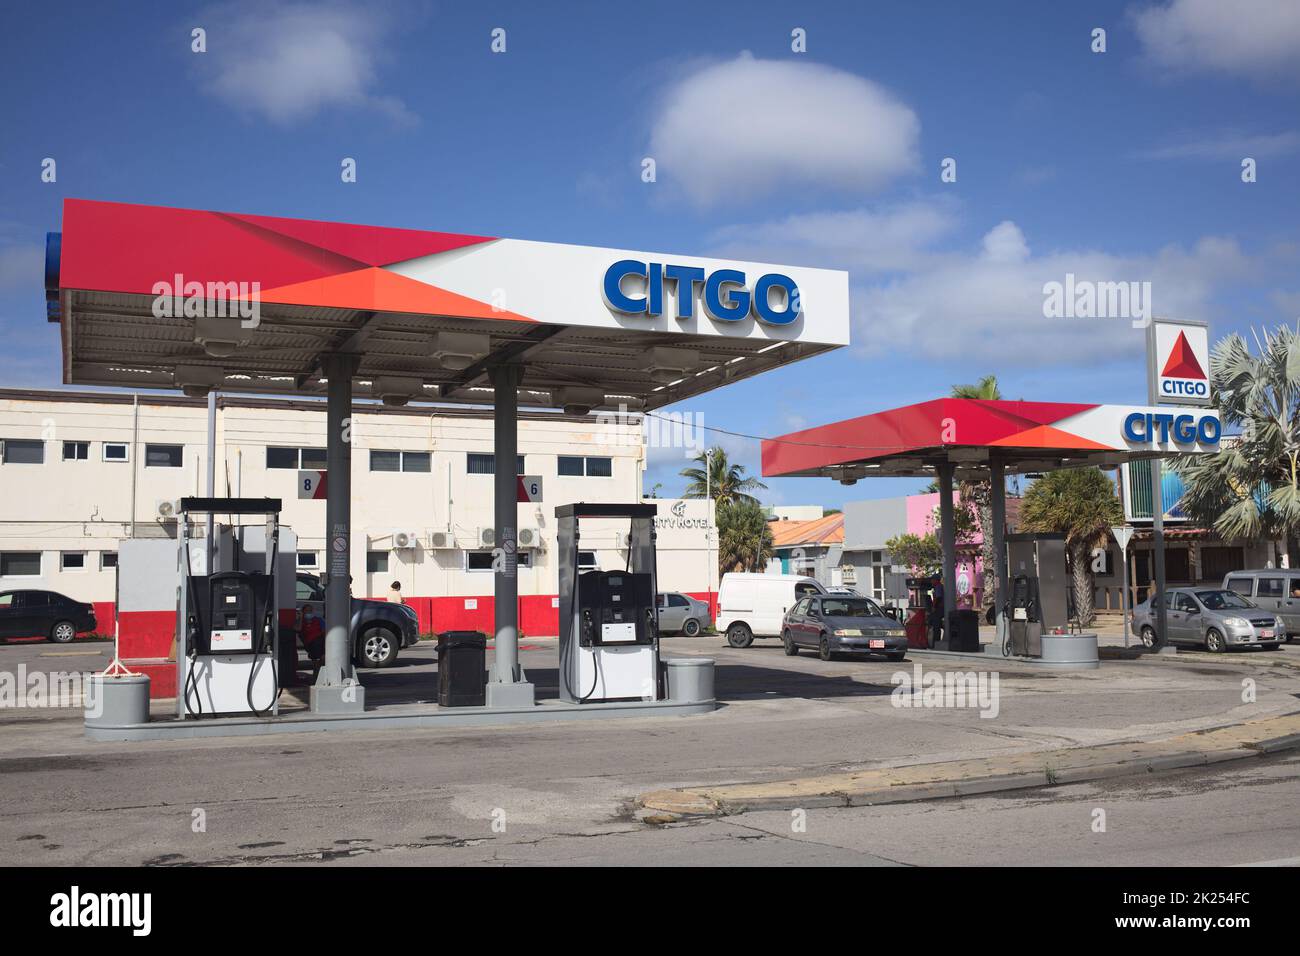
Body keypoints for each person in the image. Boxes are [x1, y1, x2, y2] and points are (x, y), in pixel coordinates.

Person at [929, 576, 945, 648]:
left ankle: (935, 642)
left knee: (936, 625)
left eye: (932, 580)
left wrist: (934, 607)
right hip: (940, 608)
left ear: (936, 580)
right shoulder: (938, 587)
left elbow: (938, 597)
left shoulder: (938, 587)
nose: (931, 581)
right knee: (936, 623)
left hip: (939, 608)